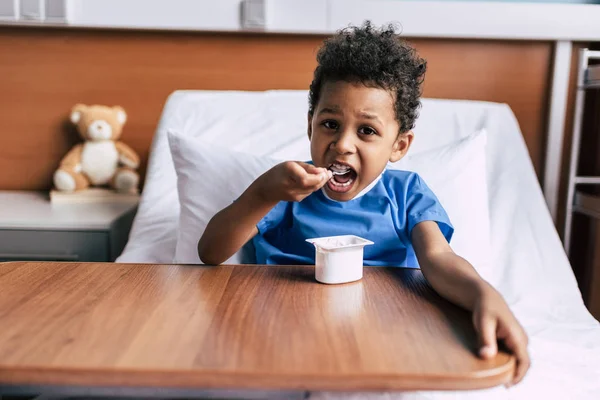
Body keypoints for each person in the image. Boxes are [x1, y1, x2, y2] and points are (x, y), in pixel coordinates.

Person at [198, 21, 529, 385]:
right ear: (310, 125)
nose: (342, 145)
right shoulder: (287, 188)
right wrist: (263, 193)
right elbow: (210, 251)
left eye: (367, 131)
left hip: (381, 336)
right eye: (330, 124)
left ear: (399, 145)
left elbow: (438, 259)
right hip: (281, 333)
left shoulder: (407, 194)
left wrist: (484, 295)